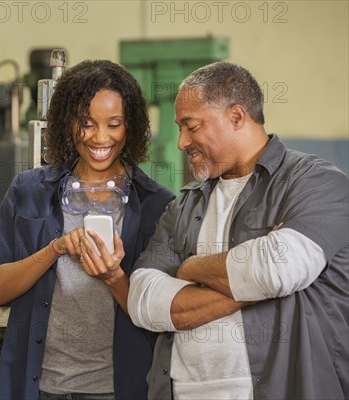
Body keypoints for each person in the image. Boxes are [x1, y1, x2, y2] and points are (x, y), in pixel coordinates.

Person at [128, 62, 348, 399]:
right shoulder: (184, 204)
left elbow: (276, 269)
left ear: (236, 117)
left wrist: (190, 268)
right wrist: (253, 280)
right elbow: (143, 300)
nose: (181, 142)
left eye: (192, 127)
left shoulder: (315, 182)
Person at [0, 59, 174, 400]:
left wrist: (113, 275)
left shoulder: (158, 205)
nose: (100, 137)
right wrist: (55, 249)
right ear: (68, 122)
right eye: (87, 123)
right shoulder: (29, 191)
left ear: (131, 126)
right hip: (37, 387)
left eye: (114, 124)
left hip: (116, 390)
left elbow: (158, 318)